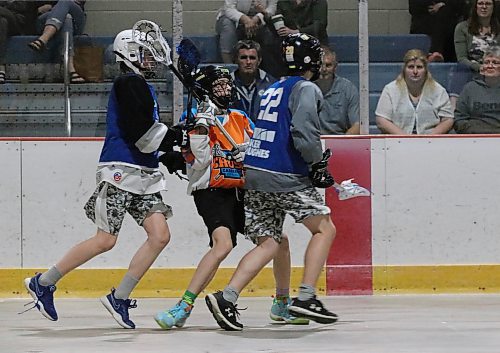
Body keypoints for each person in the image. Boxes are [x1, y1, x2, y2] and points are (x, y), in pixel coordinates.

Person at [23, 28, 187, 329]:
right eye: (145, 53)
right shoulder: (129, 83)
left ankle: (119, 297)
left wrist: (170, 153)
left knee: (160, 235)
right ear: (131, 53)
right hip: (121, 172)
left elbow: (143, 135)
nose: (150, 59)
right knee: (105, 240)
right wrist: (180, 137)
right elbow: (141, 134)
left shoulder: (139, 85)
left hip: (143, 174)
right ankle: (43, 282)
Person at [154, 65, 308, 329]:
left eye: (227, 84)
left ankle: (282, 303)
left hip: (242, 189)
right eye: (219, 86)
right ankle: (184, 305)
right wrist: (201, 128)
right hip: (212, 191)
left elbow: (260, 149)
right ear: (206, 90)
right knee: (223, 244)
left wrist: (246, 151)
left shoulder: (240, 116)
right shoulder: (193, 117)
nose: (226, 89)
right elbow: (199, 162)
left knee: (279, 240)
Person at [204, 33, 338, 331]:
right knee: (325, 229)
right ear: (310, 60)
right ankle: (306, 297)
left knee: (269, 242)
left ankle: (227, 297)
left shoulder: (272, 87)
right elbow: (303, 133)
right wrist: (316, 164)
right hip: (284, 172)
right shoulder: (306, 88)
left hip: (255, 170)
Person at [375, 49, 454, 134]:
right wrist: (403, 138)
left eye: (419, 67)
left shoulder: (439, 91)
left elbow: (448, 119)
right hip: (397, 142)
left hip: (431, 142)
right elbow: (381, 120)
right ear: (404, 69)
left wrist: (430, 138)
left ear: (426, 70)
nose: (415, 71)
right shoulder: (390, 90)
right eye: (411, 67)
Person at [449, 0, 500, 109]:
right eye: (481, 3)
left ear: (493, 7)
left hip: (496, 68)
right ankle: (454, 110)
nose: (484, 7)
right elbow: (462, 58)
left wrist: (492, 67)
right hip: (472, 68)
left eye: (488, 4)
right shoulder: (462, 28)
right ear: (475, 6)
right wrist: (479, 67)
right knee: (461, 68)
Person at [215, 0, 280, 75]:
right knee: (227, 26)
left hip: (259, 19)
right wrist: (245, 19)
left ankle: (269, 73)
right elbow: (228, 9)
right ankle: (229, 68)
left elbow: (272, 8)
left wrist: (258, 17)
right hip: (233, 18)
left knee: (270, 31)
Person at [28, 0, 87, 83]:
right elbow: (25, 7)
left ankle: (44, 39)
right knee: (66, 18)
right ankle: (70, 68)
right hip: (45, 18)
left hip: (75, 17)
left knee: (65, 2)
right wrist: (37, 10)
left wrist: (55, 7)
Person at [315, 47, 360, 135]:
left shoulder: (348, 89)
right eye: (320, 65)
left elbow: (357, 125)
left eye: (328, 65)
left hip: (340, 141)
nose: (324, 69)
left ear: (335, 67)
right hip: (312, 142)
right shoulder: (305, 88)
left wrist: (341, 145)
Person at [454, 46, 500, 132]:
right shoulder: (469, 88)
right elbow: (459, 119)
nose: (490, 66)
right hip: (474, 137)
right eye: (486, 62)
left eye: (495, 62)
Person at [229, 39, 277, 122]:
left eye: (252, 58)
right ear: (236, 60)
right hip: (234, 133)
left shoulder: (272, 85)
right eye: (243, 58)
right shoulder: (227, 84)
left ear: (259, 60)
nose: (248, 62)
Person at [0, 1, 37, 84]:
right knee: (2, 22)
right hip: (4, 22)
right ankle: (1, 66)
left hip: (18, 21)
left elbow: (22, 5)